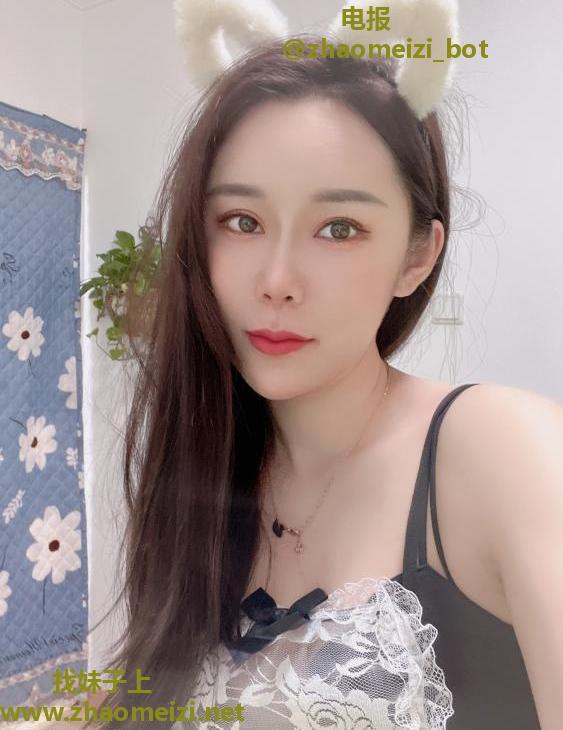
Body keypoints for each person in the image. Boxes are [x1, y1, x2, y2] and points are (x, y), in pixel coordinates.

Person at [84, 3, 563, 729]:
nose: (277, 280)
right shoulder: (204, 464)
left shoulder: (508, 453)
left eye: (339, 228)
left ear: (416, 256)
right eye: (242, 222)